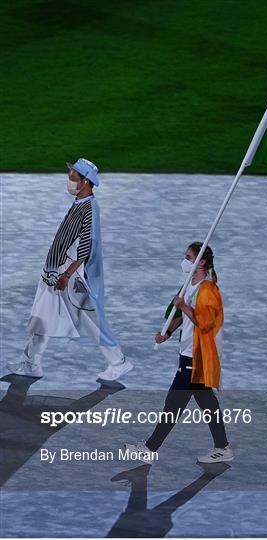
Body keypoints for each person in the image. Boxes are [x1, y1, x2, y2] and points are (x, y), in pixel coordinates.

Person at [7, 158, 133, 381]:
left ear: (85, 181)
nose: (69, 179)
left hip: (70, 277)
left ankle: (118, 362)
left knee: (90, 320)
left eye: (73, 176)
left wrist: (66, 275)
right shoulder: (79, 202)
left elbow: (85, 247)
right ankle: (31, 363)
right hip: (54, 274)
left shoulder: (90, 208)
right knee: (41, 317)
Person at [124, 241, 233, 464]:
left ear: (201, 262)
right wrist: (167, 333)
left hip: (198, 355)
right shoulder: (187, 285)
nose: (185, 261)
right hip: (188, 353)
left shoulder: (209, 290)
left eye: (189, 257)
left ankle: (149, 448)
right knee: (206, 402)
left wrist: (184, 307)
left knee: (174, 403)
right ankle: (222, 447)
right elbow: (178, 317)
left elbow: (204, 323)